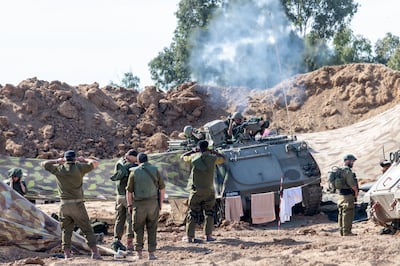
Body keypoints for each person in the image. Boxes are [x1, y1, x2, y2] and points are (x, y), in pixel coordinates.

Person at [40, 150, 102, 260]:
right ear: (74, 158)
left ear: (65, 158)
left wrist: (57, 161)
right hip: (78, 204)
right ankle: (95, 253)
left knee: (66, 231)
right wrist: (83, 159)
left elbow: (43, 163)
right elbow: (96, 163)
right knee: (87, 229)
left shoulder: (59, 168)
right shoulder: (79, 167)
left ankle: (67, 254)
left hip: (64, 205)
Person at [180, 140, 226, 243]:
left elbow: (182, 157)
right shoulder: (213, 159)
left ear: (199, 148)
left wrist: (192, 151)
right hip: (209, 190)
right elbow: (224, 158)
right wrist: (213, 151)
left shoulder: (193, 158)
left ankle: (190, 236)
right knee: (209, 212)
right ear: (207, 148)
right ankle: (208, 236)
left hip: (196, 191)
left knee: (192, 213)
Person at [126, 153, 165, 260]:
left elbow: (129, 192)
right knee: (152, 228)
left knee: (138, 229)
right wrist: (160, 204)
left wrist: (129, 205)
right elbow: (162, 189)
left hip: (139, 206)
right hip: (153, 204)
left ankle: (139, 253)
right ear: (147, 160)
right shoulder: (155, 170)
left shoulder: (134, 172)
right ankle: (151, 253)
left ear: (138, 161)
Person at [110, 149, 138, 252]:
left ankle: (116, 240)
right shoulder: (130, 166)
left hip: (118, 196)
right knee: (130, 219)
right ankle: (130, 242)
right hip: (128, 197)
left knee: (119, 219)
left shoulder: (119, 163)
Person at [337, 154, 359, 236]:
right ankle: (347, 232)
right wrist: (356, 191)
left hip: (340, 195)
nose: (353, 163)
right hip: (347, 195)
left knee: (341, 213)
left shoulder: (339, 170)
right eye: (352, 161)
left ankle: (342, 232)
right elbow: (351, 184)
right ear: (347, 161)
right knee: (348, 213)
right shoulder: (347, 171)